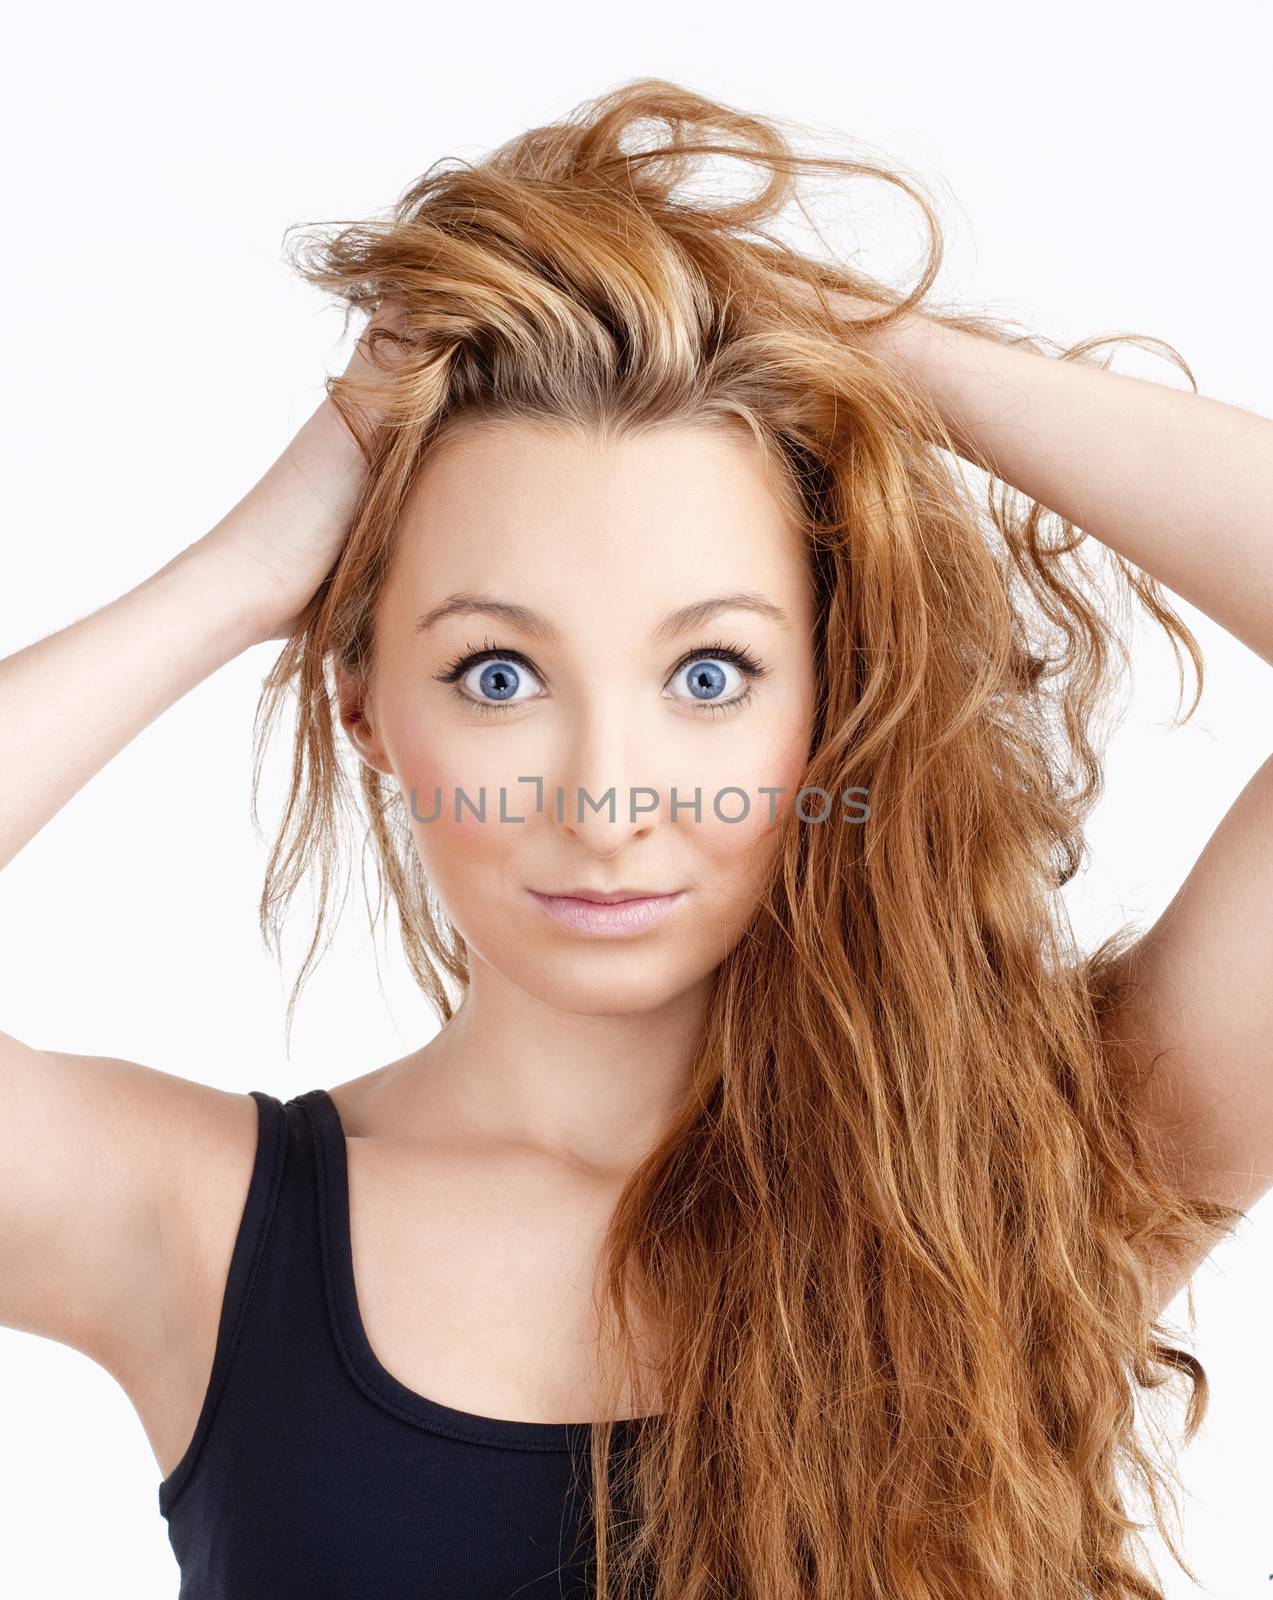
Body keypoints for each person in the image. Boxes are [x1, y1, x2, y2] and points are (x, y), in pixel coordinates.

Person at [2, 77, 1270, 1600]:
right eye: (495, 673)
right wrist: (248, 567)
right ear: (365, 711)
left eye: (709, 674)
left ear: (831, 711)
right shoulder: (196, 1225)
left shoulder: (1042, 1164)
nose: (607, 799)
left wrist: (875, 351)